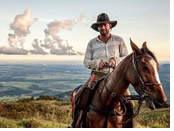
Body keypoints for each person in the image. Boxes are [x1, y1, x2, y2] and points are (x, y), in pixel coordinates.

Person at [71, 13, 134, 127]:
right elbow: (86, 61)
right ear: (97, 28)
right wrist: (96, 63)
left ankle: (129, 126)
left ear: (110, 25)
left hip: (116, 77)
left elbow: (126, 58)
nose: (102, 27)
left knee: (130, 103)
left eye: (104, 25)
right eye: (100, 25)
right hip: (98, 75)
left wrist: (115, 61)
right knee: (79, 97)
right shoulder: (92, 43)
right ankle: (76, 124)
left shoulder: (119, 40)